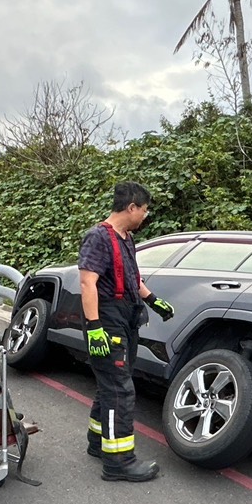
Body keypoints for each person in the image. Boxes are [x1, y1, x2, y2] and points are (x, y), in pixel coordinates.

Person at [78, 182, 174, 482]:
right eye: (144, 210)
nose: (145, 216)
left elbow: (132, 277)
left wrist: (152, 300)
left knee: (111, 384)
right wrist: (94, 328)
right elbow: (87, 283)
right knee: (119, 389)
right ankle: (118, 461)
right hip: (106, 320)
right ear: (131, 207)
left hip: (124, 318)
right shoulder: (98, 237)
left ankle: (99, 442)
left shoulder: (125, 238)